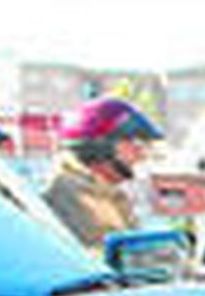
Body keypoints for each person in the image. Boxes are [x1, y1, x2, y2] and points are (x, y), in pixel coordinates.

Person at [44, 96, 162, 248]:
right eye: (134, 143)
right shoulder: (74, 193)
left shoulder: (106, 192)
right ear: (99, 147)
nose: (141, 154)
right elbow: (113, 259)